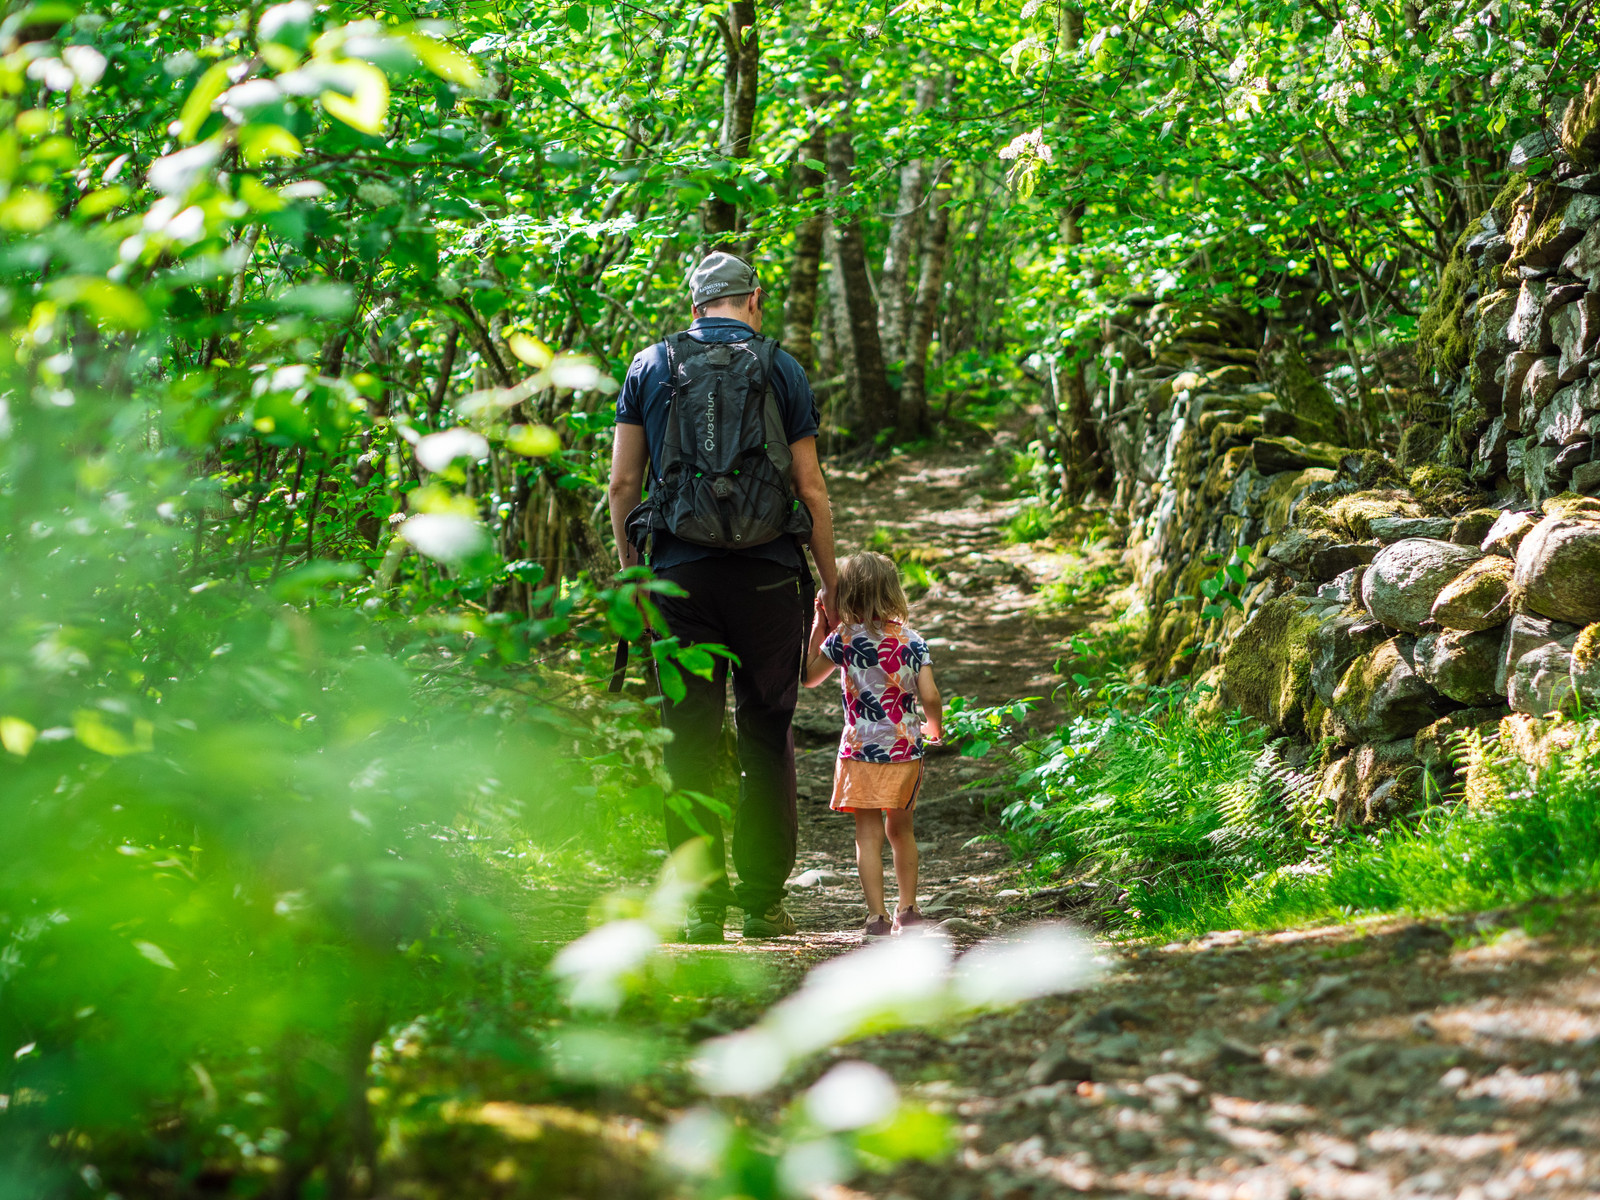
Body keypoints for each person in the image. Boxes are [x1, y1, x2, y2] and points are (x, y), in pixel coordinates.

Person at [608, 251, 838, 944]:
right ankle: (763, 902)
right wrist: (833, 585)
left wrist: (633, 576)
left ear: (696, 304)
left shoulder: (650, 365)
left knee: (689, 739)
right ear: (754, 300)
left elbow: (623, 487)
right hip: (769, 577)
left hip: (680, 576)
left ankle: (701, 906)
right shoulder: (781, 367)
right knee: (767, 733)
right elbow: (811, 488)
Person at [804, 551, 942, 938]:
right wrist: (934, 727)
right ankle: (909, 908)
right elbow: (930, 696)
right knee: (902, 831)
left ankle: (876, 917)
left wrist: (819, 622)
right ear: (893, 591)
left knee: (867, 836)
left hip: (859, 751)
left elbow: (809, 677)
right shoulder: (913, 641)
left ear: (847, 596)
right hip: (903, 751)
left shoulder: (844, 638)